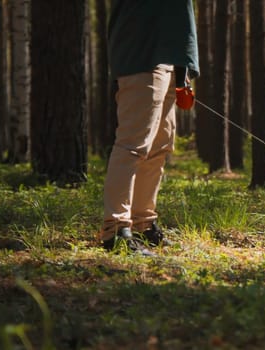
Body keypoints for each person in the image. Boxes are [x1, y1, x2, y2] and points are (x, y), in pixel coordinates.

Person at [100, 0, 199, 255]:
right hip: (142, 55)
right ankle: (116, 228)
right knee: (133, 145)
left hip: (170, 60)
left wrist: (183, 69)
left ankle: (143, 223)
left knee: (159, 148)